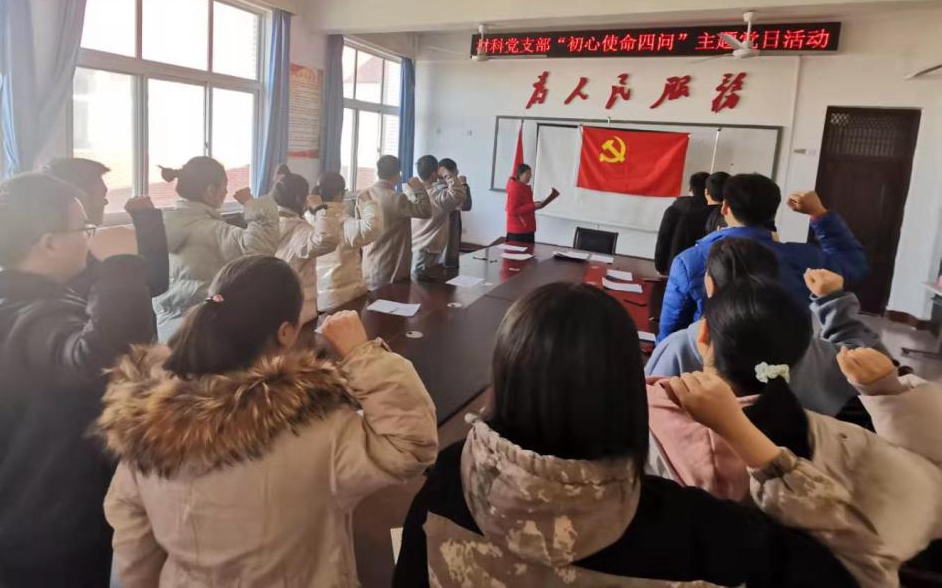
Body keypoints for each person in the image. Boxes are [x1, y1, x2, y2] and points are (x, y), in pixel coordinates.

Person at [394, 281, 860, 588]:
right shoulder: (693, 528)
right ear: (625, 388)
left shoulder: (450, 479)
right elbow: (843, 565)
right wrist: (754, 446)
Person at [101, 256, 438, 587]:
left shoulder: (145, 422)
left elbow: (133, 545)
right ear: (286, 332)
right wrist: (361, 352)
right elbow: (410, 445)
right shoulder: (316, 427)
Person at [647, 278, 942, 587]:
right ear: (802, 351)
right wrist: (889, 393)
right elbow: (924, 489)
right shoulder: (835, 439)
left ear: (703, 333)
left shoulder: (645, 414)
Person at [0, 173, 154, 587]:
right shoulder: (34, 318)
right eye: (83, 229)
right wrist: (120, 268)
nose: (90, 238)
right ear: (48, 243)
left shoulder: (5, 305)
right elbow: (105, 360)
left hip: (21, 506)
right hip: (51, 523)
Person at [647, 238, 884, 417]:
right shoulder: (802, 344)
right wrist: (833, 301)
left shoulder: (681, 346)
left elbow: (642, 410)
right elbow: (874, 365)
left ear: (710, 285)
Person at [658, 174, 868, 340]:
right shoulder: (803, 259)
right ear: (773, 212)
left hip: (710, 364)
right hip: (786, 364)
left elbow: (671, 326)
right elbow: (854, 265)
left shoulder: (690, 260)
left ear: (725, 207)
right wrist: (820, 214)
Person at [151, 157, 279, 340]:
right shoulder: (212, 231)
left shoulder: (162, 226)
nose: (226, 192)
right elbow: (260, 248)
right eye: (224, 187)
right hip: (203, 330)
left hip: (168, 329)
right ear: (210, 190)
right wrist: (251, 203)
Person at [42, 157, 169, 299]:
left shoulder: (53, 247)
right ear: (80, 197)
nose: (106, 202)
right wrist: (147, 218)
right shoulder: (74, 255)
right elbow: (153, 284)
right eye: (102, 195)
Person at [272, 172, 342, 324]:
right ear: (301, 199)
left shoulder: (270, 223)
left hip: (277, 300)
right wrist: (321, 208)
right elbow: (328, 239)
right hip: (300, 308)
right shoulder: (297, 229)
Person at [311, 171, 383, 312]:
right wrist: (369, 202)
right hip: (346, 299)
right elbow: (373, 227)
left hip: (318, 298)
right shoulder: (343, 223)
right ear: (340, 194)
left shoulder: (309, 219)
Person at [361, 154, 432, 290]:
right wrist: (419, 189)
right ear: (398, 175)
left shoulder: (364, 195)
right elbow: (425, 211)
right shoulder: (397, 198)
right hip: (391, 266)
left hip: (368, 263)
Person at [411, 154, 467, 280]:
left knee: (416, 284)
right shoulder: (437, 196)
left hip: (415, 245)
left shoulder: (413, 192)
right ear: (433, 174)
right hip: (427, 248)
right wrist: (448, 174)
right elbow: (458, 194)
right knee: (422, 286)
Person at [654, 171, 713, 274]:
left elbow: (663, 239)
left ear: (690, 189)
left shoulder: (674, 209)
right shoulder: (713, 213)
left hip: (673, 267)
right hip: (703, 270)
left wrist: (660, 267)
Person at [438, 158, 471, 270]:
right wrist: (464, 185)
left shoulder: (431, 187)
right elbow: (465, 205)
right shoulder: (450, 190)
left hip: (435, 237)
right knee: (446, 268)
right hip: (447, 233)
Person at [504, 164, 545, 244]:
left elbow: (525, 205)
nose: (530, 176)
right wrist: (533, 206)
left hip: (527, 228)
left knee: (529, 251)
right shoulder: (514, 188)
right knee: (517, 252)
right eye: (528, 173)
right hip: (518, 230)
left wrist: (536, 205)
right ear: (520, 174)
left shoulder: (524, 187)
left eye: (530, 173)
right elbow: (512, 210)